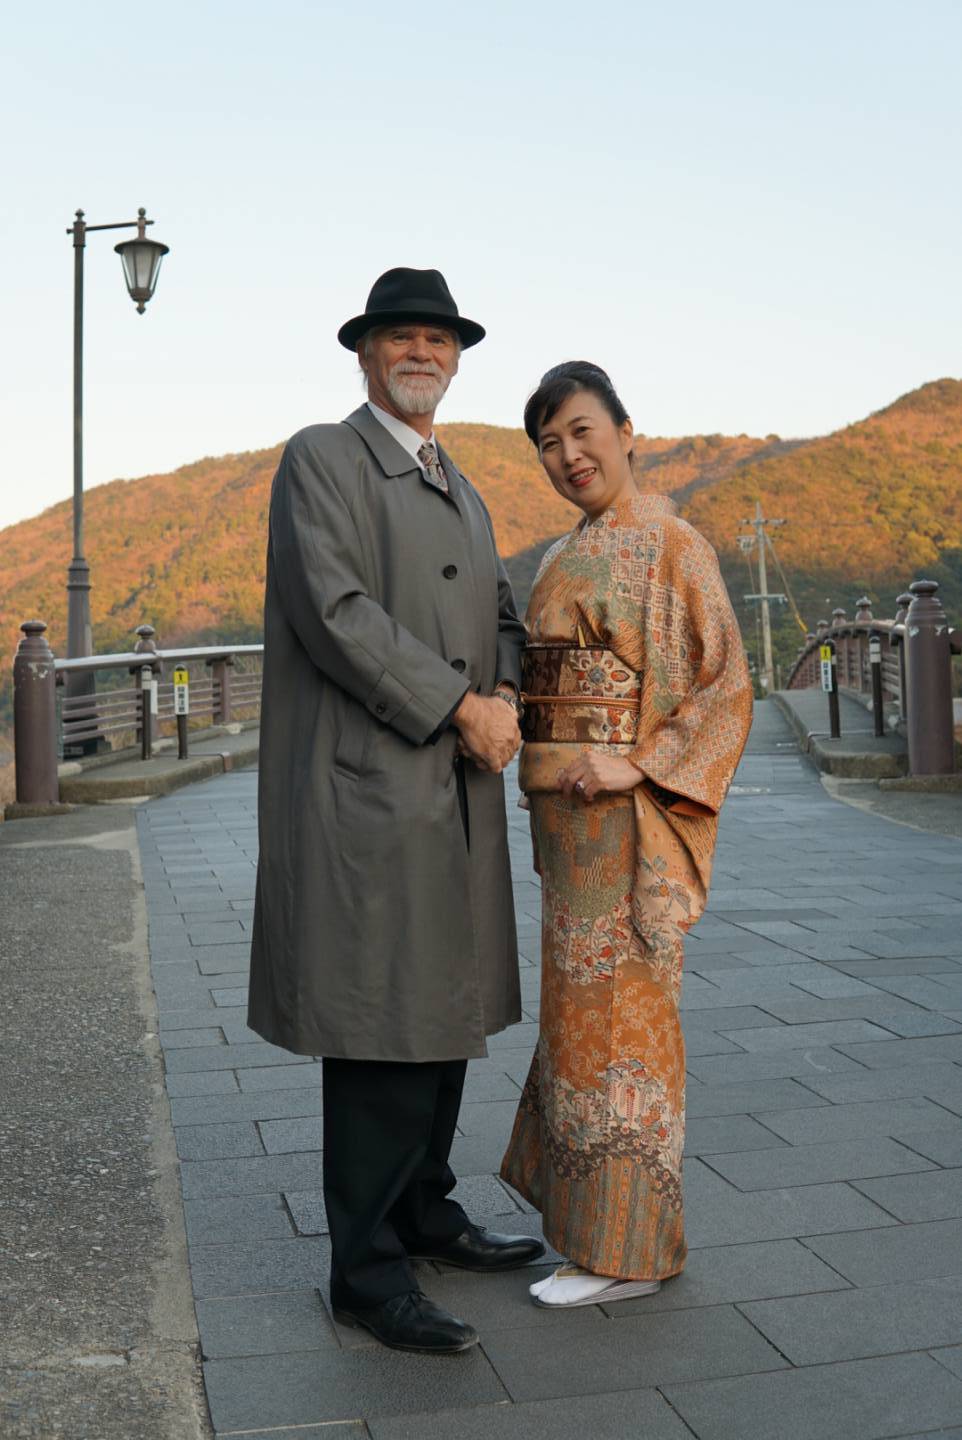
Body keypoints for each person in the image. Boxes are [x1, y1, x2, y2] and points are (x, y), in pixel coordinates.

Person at [248, 267, 544, 1355]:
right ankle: (365, 1272)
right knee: (379, 1020)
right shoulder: (322, 457)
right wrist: (457, 707)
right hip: (367, 789)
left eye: (437, 338)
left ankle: (426, 1208)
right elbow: (333, 612)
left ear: (456, 356)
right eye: (399, 337)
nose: (420, 352)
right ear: (363, 353)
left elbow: (503, 613)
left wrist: (504, 693)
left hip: (453, 786)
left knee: (440, 1008)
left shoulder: (459, 479)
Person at [500, 361, 753, 1308]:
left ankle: (630, 1252)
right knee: (577, 1022)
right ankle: (583, 1229)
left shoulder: (672, 544)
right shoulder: (564, 555)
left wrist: (636, 764)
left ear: (626, 430)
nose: (568, 456)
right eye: (549, 445)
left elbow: (724, 687)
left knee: (625, 1027)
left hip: (628, 820)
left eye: (580, 431)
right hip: (570, 832)